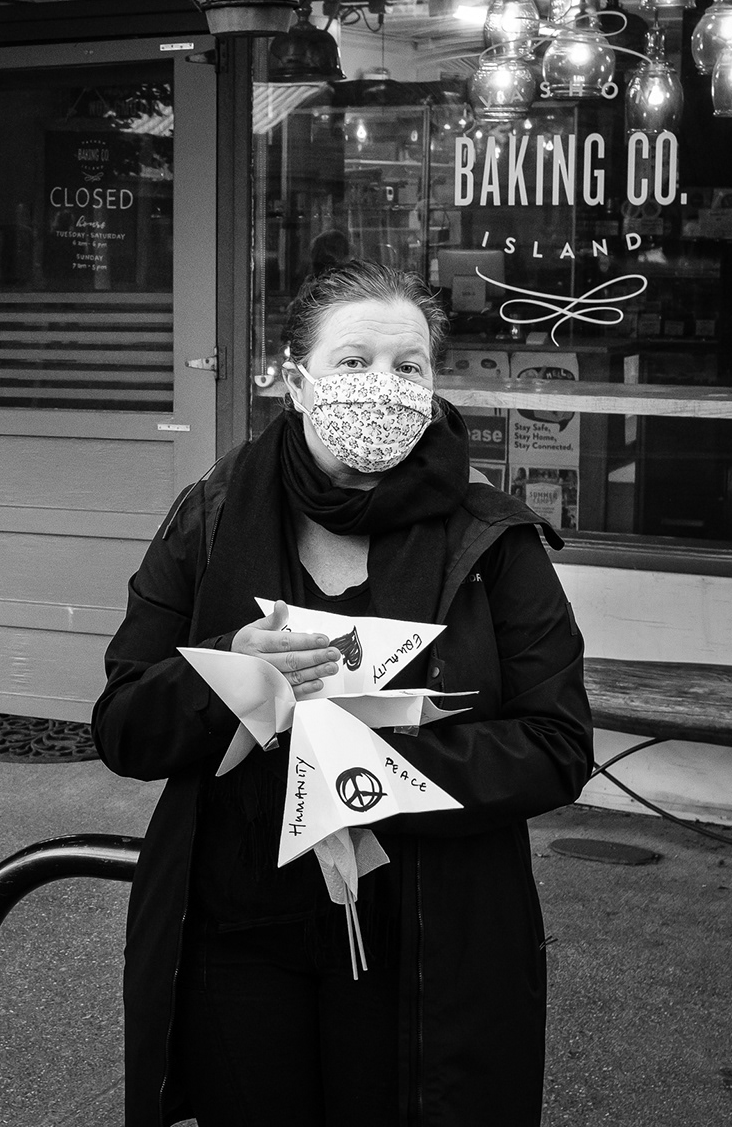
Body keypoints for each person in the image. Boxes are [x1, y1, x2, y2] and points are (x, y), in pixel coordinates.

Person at [92, 259, 593, 1127]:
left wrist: (380, 760)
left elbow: (558, 745)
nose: (382, 385)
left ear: (432, 393)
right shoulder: (210, 517)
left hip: (424, 942)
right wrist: (223, 674)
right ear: (297, 383)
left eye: (409, 367)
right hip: (237, 930)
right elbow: (123, 726)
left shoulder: (492, 541)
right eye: (354, 362)